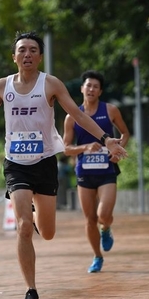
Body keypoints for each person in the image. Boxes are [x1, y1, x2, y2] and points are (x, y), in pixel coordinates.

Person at [0, 31, 128, 299]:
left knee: (48, 232)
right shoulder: (2, 86)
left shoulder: (50, 84)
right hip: (16, 164)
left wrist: (106, 139)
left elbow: (78, 114)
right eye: (22, 50)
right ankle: (31, 289)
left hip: (44, 163)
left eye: (33, 50)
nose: (27, 54)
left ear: (40, 56)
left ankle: (33, 215)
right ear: (14, 57)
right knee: (23, 228)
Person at [62, 70, 130, 273]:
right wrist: (85, 147)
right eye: (88, 85)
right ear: (82, 89)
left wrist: (118, 150)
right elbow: (66, 149)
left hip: (107, 170)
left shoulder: (110, 110)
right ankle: (97, 256)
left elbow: (125, 133)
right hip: (84, 173)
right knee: (90, 219)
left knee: (103, 215)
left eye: (95, 86)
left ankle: (106, 228)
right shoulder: (71, 117)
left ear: (100, 91)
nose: (91, 89)